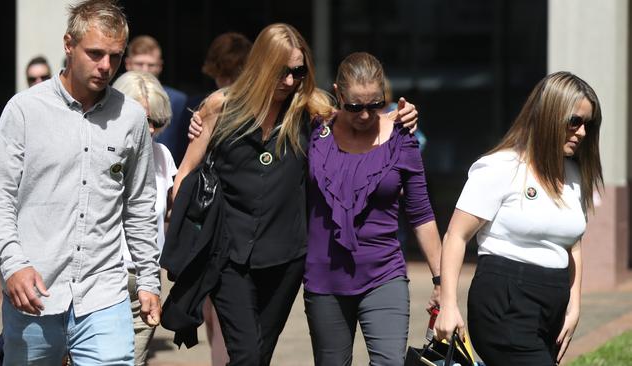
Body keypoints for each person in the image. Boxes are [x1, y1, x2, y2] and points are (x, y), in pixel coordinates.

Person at [169, 23, 418, 366]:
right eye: (280, 72)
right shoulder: (220, 107)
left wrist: (398, 117)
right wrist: (189, 231)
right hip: (227, 254)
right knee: (247, 356)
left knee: (260, 355)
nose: (288, 81)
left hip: (285, 260)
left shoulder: (312, 111)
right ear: (260, 65)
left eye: (297, 71)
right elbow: (185, 173)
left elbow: (358, 120)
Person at [0, 0, 161, 364]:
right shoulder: (24, 111)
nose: (106, 66)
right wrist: (13, 263)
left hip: (104, 295)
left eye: (114, 55)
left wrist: (148, 279)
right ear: (68, 44)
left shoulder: (130, 118)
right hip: (34, 294)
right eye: (95, 53)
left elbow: (140, 204)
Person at [435, 71, 602, 365]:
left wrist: (574, 306)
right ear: (550, 115)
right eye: (574, 121)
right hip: (505, 301)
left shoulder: (575, 175)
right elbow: (455, 237)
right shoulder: (501, 167)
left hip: (552, 306)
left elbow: (573, 245)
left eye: (588, 124)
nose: (582, 133)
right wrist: (448, 304)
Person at [303, 52, 442, 365]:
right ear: (338, 93)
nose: (365, 115)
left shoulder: (402, 138)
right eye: (354, 106)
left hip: (384, 274)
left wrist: (441, 282)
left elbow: (421, 214)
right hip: (324, 279)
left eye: (374, 104)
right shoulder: (315, 130)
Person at [192, 31, 253, 366]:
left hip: (218, 226)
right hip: (229, 226)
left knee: (218, 315)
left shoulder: (217, 104)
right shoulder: (252, 104)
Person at [113, 71, 176, 366]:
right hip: (104, 280)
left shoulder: (162, 156)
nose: (149, 129)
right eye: (142, 120)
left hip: (146, 282)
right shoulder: (102, 154)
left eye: (156, 121)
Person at [125, 35, 188, 165]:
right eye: (139, 64)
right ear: (128, 64)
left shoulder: (178, 100)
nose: (145, 70)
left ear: (160, 66)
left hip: (165, 168)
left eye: (151, 65)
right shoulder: (116, 96)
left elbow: (182, 145)